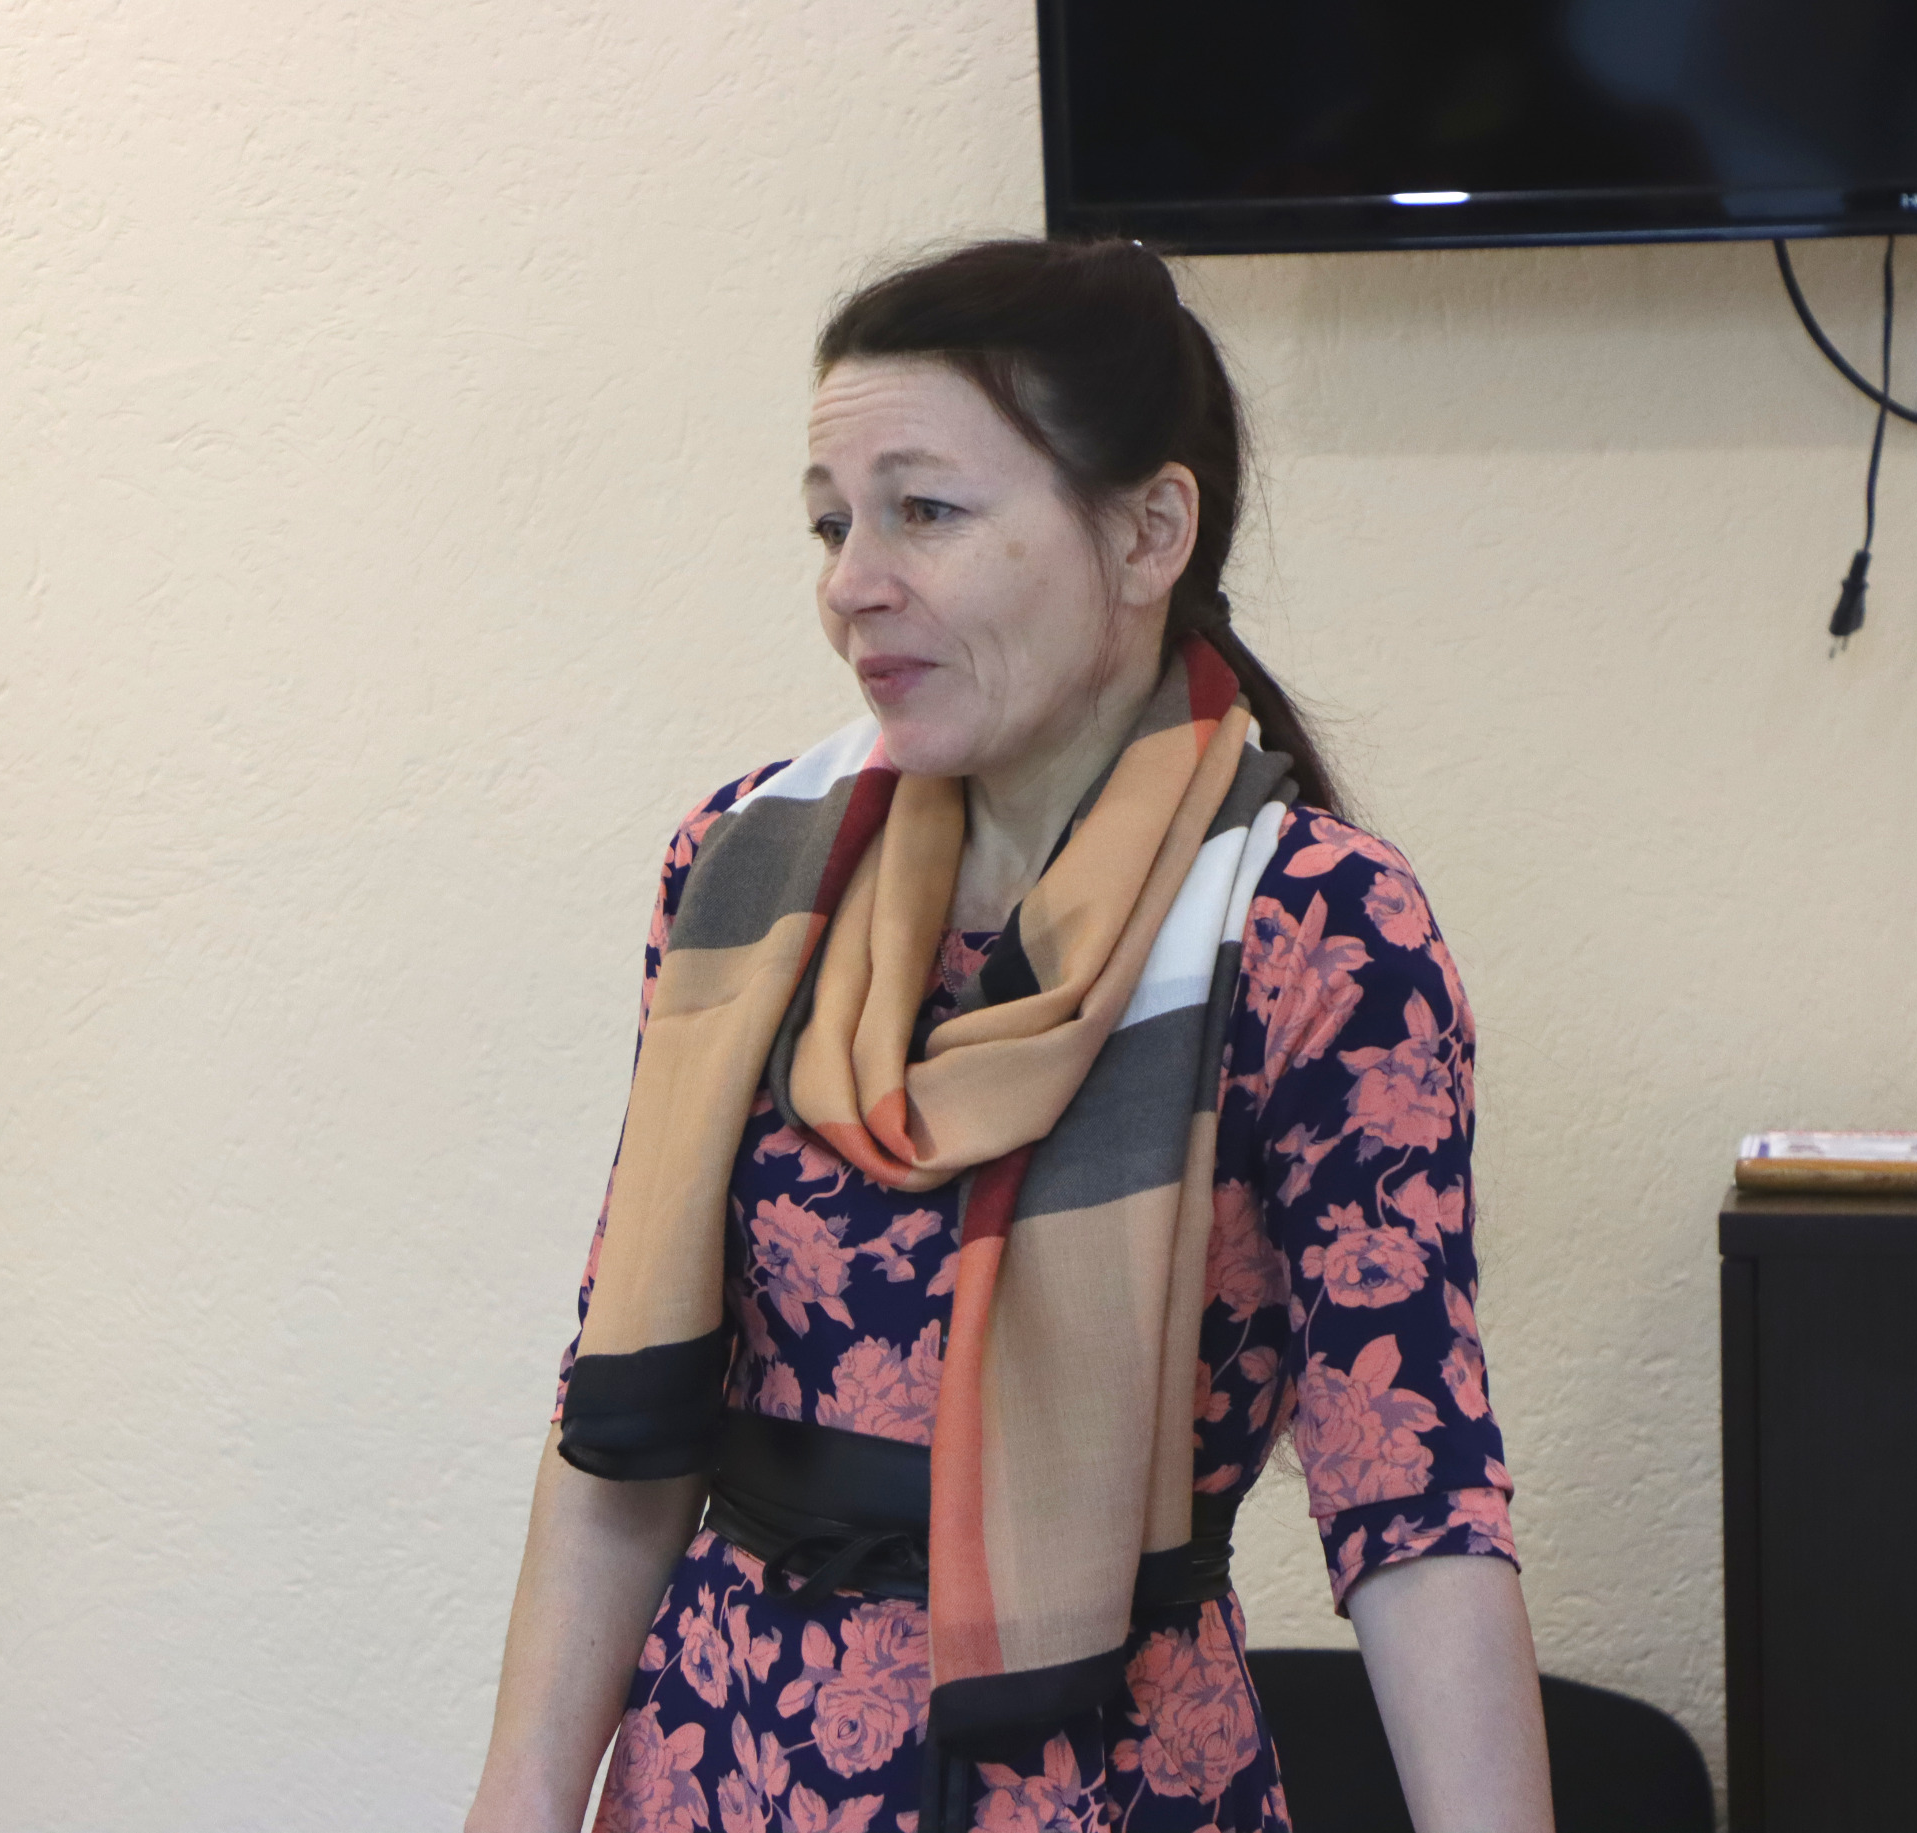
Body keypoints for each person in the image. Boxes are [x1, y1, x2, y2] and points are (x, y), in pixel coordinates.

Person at [469, 238, 1554, 1833]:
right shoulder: (746, 874)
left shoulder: (1314, 928)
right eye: (832, 522)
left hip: (1106, 1785)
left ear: (1150, 531)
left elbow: (1413, 1490)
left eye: (926, 510)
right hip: (723, 1762)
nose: (853, 581)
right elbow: (626, 1417)